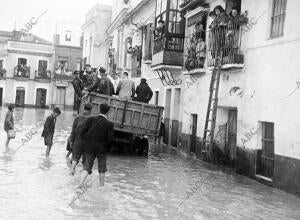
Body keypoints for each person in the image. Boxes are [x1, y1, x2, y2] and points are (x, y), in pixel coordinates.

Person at [80, 103, 114, 187]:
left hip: (89, 147)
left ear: (99, 109)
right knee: (102, 169)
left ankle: (80, 184)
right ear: (107, 112)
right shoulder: (109, 124)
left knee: (87, 167)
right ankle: (101, 187)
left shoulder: (91, 119)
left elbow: (82, 133)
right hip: (101, 149)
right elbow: (110, 140)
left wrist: (86, 142)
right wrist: (107, 149)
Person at [69, 103, 92, 175]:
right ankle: (82, 178)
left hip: (77, 140)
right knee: (85, 161)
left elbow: (73, 130)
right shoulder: (92, 119)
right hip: (87, 142)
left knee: (75, 158)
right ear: (91, 110)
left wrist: (71, 140)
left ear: (84, 108)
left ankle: (72, 169)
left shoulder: (78, 117)